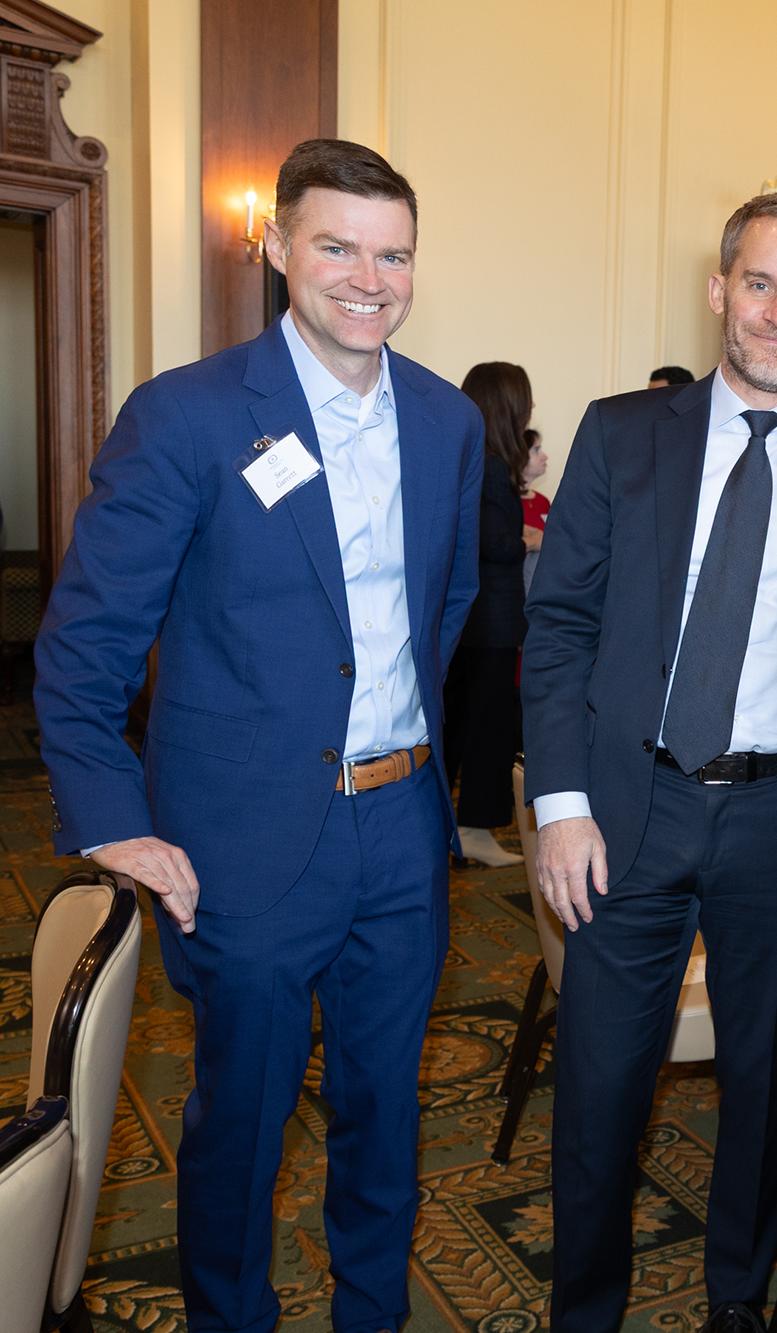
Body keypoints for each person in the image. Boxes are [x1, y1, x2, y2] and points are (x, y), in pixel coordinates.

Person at [34, 138, 482, 1333]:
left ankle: (370, 1315)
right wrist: (116, 823)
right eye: (335, 245)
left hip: (400, 830)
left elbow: (444, 607)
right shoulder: (185, 414)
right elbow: (85, 645)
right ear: (276, 244)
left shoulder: (447, 424)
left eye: (391, 253)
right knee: (241, 1119)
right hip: (242, 841)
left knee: (387, 1112)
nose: (366, 277)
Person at [523, 191, 777, 1333]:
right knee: (603, 1087)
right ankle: (586, 1309)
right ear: (718, 290)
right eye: (758, 283)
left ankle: (737, 1299)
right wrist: (557, 805)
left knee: (764, 1088)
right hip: (628, 807)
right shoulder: (623, 434)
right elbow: (556, 625)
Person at [444, 361, 535, 868]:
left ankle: (454, 825)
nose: (532, 407)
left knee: (458, 724)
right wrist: (530, 540)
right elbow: (492, 543)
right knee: (487, 729)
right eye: (525, 397)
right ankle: (475, 829)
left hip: (469, 619)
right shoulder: (493, 465)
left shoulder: (466, 455)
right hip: (492, 620)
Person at [521, 428, 550, 594]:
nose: (544, 456)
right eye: (536, 451)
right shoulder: (504, 503)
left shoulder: (543, 501)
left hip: (540, 589)